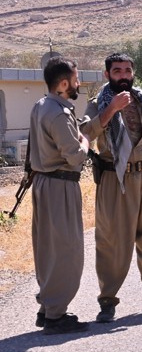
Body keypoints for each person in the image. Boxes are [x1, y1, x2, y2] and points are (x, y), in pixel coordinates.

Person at [82, 53, 142, 322]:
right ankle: (107, 302)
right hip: (115, 179)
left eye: (127, 70)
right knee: (112, 243)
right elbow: (85, 134)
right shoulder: (97, 104)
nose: (124, 75)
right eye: (117, 71)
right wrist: (111, 109)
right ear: (107, 75)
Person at [29, 57, 91, 334]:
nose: (78, 84)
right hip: (60, 186)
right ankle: (56, 315)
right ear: (64, 84)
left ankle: (48, 307)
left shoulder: (41, 106)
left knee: (48, 250)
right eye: (76, 79)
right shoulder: (59, 113)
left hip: (44, 183)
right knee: (67, 251)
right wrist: (86, 141)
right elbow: (75, 158)